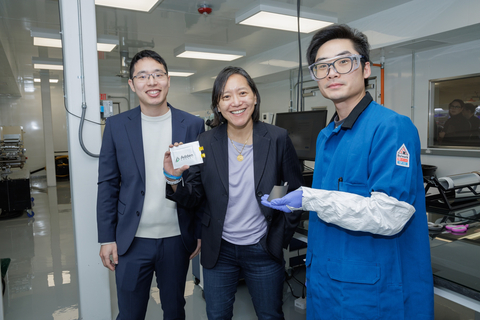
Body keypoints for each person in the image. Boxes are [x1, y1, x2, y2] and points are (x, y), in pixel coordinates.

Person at [262, 24, 434, 319]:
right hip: (325, 285)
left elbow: (389, 215)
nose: (332, 73)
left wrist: (308, 198)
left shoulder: (391, 127)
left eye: (343, 62)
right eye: (321, 66)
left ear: (366, 69)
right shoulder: (327, 135)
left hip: (371, 294)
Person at [163, 66, 304, 320]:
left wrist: (278, 238)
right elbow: (193, 197)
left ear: (255, 97)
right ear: (218, 105)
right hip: (220, 250)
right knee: (217, 316)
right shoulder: (204, 141)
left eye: (242, 93)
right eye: (226, 96)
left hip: (263, 247)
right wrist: (174, 178)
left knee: (270, 315)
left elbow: (294, 191)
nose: (236, 102)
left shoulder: (277, 138)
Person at [96, 49, 205, 320]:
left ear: (168, 80)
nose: (151, 82)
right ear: (132, 85)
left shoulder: (192, 125)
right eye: (143, 76)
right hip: (131, 242)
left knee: (175, 311)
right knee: (130, 314)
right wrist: (107, 237)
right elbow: (108, 184)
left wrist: (200, 231)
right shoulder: (117, 125)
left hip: (177, 240)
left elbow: (200, 185)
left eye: (157, 75)